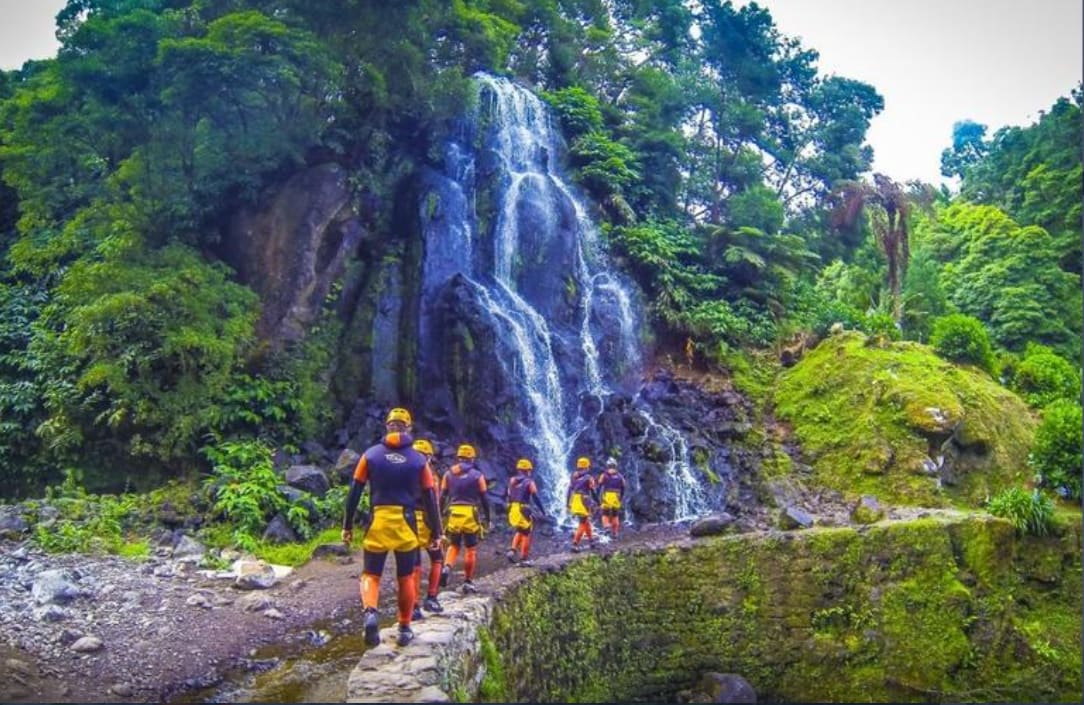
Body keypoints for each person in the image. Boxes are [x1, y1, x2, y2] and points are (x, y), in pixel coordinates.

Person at [342, 407, 443, 648]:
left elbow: (354, 492)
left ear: (388, 426)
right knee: (406, 577)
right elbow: (431, 498)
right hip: (406, 524)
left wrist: (347, 526)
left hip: (378, 520)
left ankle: (370, 613)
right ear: (408, 428)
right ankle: (405, 627)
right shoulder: (420, 460)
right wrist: (437, 532)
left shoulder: (370, 455)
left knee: (371, 575)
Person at [439, 444, 491, 593]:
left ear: (459, 457)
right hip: (470, 513)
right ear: (472, 459)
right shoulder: (477, 475)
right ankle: (468, 581)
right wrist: (488, 518)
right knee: (470, 549)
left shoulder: (448, 474)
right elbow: (484, 497)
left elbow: (442, 496)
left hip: (454, 512)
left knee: (454, 545)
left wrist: (440, 513)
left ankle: (447, 567)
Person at [409, 438, 445, 617]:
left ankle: (413, 607)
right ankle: (431, 597)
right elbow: (434, 504)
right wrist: (438, 531)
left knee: (413, 564)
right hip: (424, 518)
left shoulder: (403, 471)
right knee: (438, 558)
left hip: (405, 519)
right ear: (429, 457)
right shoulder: (429, 474)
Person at [504, 458, 548, 567]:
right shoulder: (529, 482)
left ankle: (512, 550)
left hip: (513, 508)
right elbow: (535, 497)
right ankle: (524, 559)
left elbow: (508, 495)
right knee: (526, 534)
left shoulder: (512, 481)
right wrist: (542, 510)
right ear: (528, 470)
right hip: (523, 509)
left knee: (519, 530)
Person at [567, 456, 596, 553]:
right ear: (587, 467)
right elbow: (593, 491)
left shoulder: (573, 476)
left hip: (575, 499)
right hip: (584, 500)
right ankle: (575, 544)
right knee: (582, 523)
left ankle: (591, 541)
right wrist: (599, 503)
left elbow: (569, 490)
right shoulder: (589, 478)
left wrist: (568, 503)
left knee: (586, 521)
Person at [596, 456, 627, 539]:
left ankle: (606, 527)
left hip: (607, 495)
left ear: (607, 466)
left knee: (605, 513)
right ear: (615, 466)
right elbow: (624, 487)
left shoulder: (604, 475)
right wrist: (621, 498)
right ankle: (615, 533)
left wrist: (597, 498)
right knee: (615, 515)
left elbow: (599, 486)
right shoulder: (620, 476)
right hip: (616, 496)